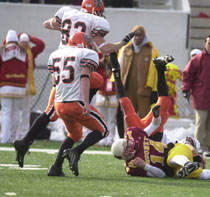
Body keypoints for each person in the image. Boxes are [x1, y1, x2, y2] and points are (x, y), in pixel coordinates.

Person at [13, 0, 135, 167]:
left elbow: (46, 24)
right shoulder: (93, 23)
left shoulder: (68, 14)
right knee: (51, 112)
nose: (100, 14)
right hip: (73, 71)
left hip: (62, 65)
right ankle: (25, 142)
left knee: (97, 81)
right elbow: (105, 49)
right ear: (94, 10)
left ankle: (54, 164)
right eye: (99, 11)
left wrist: (66, 28)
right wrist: (122, 42)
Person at [47, 32, 109, 177]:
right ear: (82, 43)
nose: (90, 45)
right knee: (104, 130)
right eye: (87, 42)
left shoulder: (56, 54)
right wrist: (86, 103)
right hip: (75, 103)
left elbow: (54, 83)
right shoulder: (85, 54)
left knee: (74, 134)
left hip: (59, 103)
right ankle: (76, 152)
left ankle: (56, 167)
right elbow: (84, 76)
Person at [111, 125, 210, 180]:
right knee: (199, 175)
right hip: (170, 170)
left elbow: (152, 127)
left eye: (127, 142)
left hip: (173, 149)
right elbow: (162, 175)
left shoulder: (132, 133)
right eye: (126, 147)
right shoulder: (132, 167)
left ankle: (189, 161)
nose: (131, 144)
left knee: (172, 157)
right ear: (124, 156)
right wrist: (145, 166)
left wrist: (156, 117)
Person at [111, 53, 172, 142]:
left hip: (138, 131)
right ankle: (160, 68)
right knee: (165, 101)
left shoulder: (133, 150)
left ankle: (115, 71)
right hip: (153, 130)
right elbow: (155, 125)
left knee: (125, 104)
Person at [118, 25, 159, 119]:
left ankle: (144, 134)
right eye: (135, 35)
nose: (137, 38)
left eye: (140, 36)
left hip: (144, 90)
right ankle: (128, 134)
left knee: (145, 116)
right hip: (128, 90)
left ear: (144, 37)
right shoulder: (125, 50)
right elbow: (119, 67)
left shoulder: (151, 50)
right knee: (128, 116)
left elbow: (155, 72)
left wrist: (154, 90)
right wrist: (118, 87)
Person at [0, 30, 28, 144]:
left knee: (6, 111)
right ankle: (13, 137)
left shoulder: (2, 51)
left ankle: (4, 138)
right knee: (16, 112)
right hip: (20, 85)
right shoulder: (24, 52)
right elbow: (27, 67)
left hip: (5, 84)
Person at [15, 33, 45, 141]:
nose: (24, 43)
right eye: (22, 41)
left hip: (28, 82)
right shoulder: (13, 52)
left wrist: (30, 37)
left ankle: (23, 134)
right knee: (16, 110)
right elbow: (6, 42)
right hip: (17, 82)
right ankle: (15, 133)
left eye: (26, 42)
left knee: (26, 110)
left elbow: (41, 45)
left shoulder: (31, 52)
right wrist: (18, 36)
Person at [95, 54, 118, 146]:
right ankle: (103, 138)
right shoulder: (100, 68)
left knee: (111, 120)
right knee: (102, 119)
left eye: (108, 56)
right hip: (101, 95)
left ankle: (110, 139)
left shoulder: (115, 68)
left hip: (112, 96)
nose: (106, 58)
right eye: (104, 55)